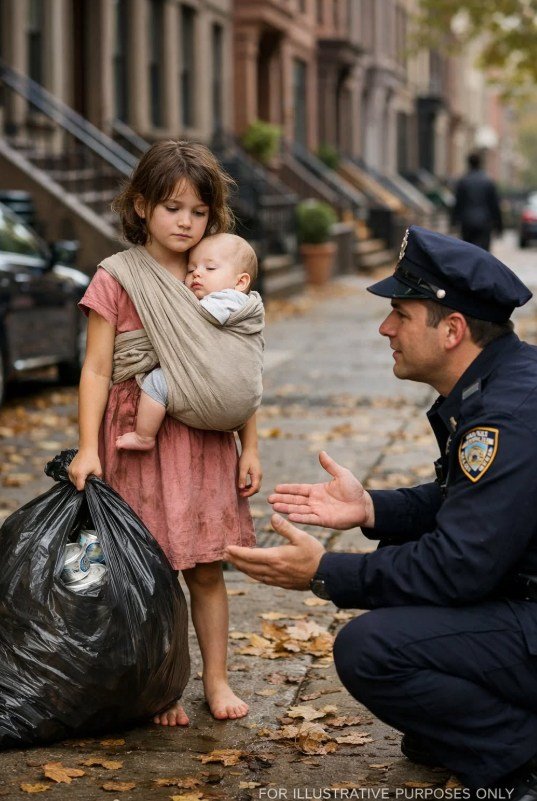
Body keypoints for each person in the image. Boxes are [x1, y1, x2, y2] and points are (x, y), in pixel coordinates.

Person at [225, 225, 537, 797]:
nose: (384, 327)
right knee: (396, 551)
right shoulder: (502, 381)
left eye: (400, 313)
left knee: (370, 649)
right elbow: (465, 502)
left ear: (453, 329)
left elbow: (458, 566)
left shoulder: (507, 415)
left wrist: (323, 573)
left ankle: (518, 756)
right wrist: (370, 508)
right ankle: (464, 724)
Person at [68, 140, 262, 725]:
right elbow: (97, 368)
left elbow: (238, 368)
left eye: (199, 211)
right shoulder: (118, 277)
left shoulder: (217, 276)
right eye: (173, 207)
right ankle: (162, 686)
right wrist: (84, 447)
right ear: (141, 206)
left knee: (205, 567)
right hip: (135, 435)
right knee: (147, 572)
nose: (186, 222)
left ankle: (218, 680)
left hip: (202, 439)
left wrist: (250, 446)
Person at [116, 232, 260, 451]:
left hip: (217, 392)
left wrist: (173, 296)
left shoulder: (227, 301)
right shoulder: (241, 301)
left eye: (210, 269)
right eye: (191, 270)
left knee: (156, 382)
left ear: (240, 282)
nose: (197, 275)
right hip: (239, 402)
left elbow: (191, 318)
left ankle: (144, 436)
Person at [451, 151, 503, 251]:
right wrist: (499, 225)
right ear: (480, 163)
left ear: (468, 163)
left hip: (467, 222)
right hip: (484, 222)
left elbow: (458, 203)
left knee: (468, 251)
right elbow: (494, 205)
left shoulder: (463, 181)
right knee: (483, 253)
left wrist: (453, 221)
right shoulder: (488, 181)